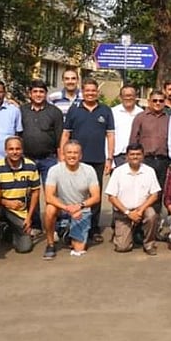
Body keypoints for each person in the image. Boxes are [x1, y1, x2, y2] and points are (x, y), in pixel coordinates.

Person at [61, 78, 115, 245]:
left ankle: (93, 229)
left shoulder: (105, 110)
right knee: (73, 193)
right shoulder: (74, 110)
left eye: (93, 90)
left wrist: (109, 158)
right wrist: (62, 157)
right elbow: (65, 135)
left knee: (94, 196)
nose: (90, 93)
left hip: (98, 159)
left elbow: (110, 135)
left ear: (97, 92)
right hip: (75, 161)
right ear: (82, 92)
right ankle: (71, 227)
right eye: (87, 91)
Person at [43, 140, 101, 260]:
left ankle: (66, 231)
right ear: (63, 155)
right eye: (69, 152)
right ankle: (50, 244)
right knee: (49, 209)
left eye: (75, 153)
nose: (72, 155)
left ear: (80, 155)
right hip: (62, 208)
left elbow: (96, 197)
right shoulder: (54, 170)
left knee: (78, 249)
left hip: (81, 209)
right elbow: (49, 196)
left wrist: (79, 206)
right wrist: (68, 208)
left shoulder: (89, 170)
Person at [106, 143, 161, 255]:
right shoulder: (118, 172)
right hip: (123, 212)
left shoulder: (149, 171)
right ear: (127, 156)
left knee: (151, 215)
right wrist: (128, 213)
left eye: (138, 154)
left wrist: (140, 211)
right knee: (122, 247)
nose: (135, 157)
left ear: (143, 156)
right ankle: (129, 232)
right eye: (132, 154)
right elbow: (111, 197)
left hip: (142, 210)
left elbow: (155, 194)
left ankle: (149, 244)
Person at [0, 136, 41, 256]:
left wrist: (29, 217)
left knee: (25, 247)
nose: (14, 152)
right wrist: (6, 202)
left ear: (22, 150)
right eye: (11, 149)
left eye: (18, 149)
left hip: (19, 211)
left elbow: (35, 192)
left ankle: (7, 231)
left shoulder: (31, 166)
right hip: (0, 207)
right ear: (5, 150)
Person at [129, 89, 171, 210]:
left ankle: (155, 222)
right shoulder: (140, 117)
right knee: (142, 191)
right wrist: (133, 160)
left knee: (158, 192)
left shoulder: (169, 119)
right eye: (155, 100)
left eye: (161, 101)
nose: (158, 103)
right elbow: (133, 140)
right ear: (149, 102)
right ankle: (139, 223)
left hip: (163, 161)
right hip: (145, 160)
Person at [110, 84, 143, 167]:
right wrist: (109, 159)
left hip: (136, 156)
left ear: (136, 97)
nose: (128, 98)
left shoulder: (141, 113)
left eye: (131, 95)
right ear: (120, 97)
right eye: (125, 96)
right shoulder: (113, 112)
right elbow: (108, 136)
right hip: (118, 157)